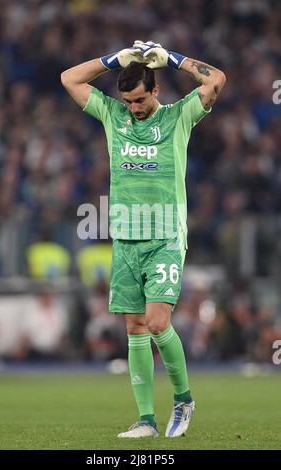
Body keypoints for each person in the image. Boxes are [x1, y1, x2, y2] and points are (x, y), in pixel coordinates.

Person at [61, 40, 226, 438]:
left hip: (166, 235)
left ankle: (184, 398)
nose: (134, 108)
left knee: (156, 321)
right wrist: (114, 60)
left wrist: (173, 59)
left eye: (139, 99)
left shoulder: (178, 118)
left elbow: (216, 80)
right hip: (125, 238)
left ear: (156, 90)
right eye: (128, 101)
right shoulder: (113, 116)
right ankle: (147, 421)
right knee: (134, 327)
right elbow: (69, 78)